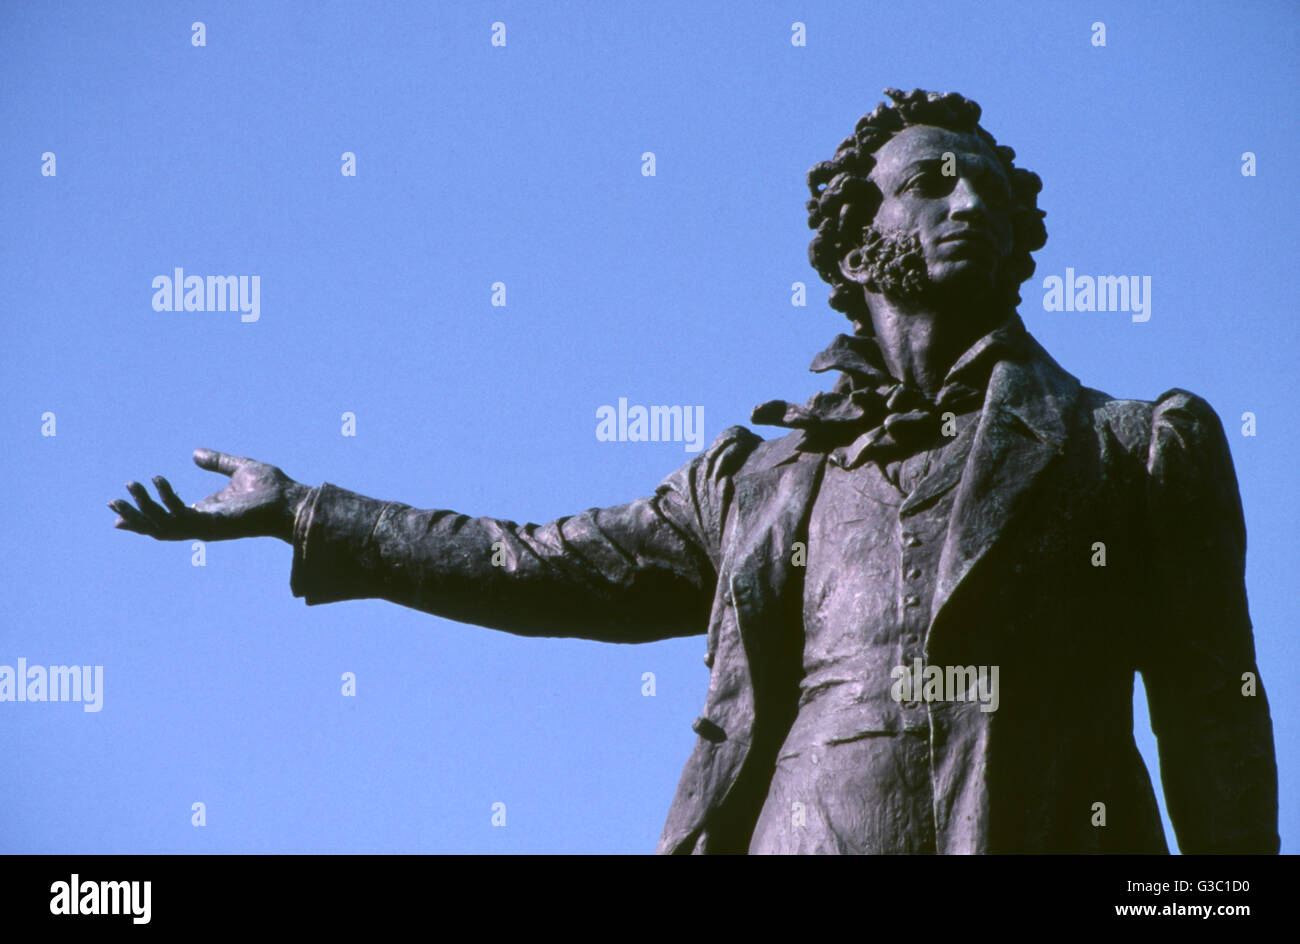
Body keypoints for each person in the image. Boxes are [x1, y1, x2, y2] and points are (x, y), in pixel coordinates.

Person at [111, 89, 1278, 854]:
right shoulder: (758, 480)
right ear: (852, 233)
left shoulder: (1131, 445)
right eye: (931, 179)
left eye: (986, 183)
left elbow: (1213, 717)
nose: (971, 196)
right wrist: (311, 510)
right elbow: (539, 562)